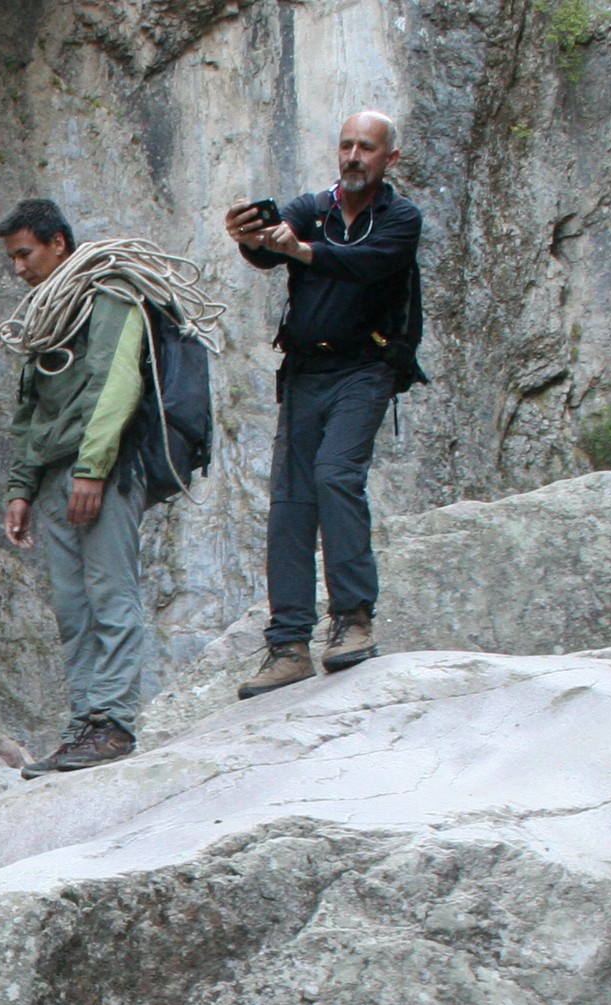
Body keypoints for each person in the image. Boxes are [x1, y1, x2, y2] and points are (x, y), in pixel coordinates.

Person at [225, 110, 424, 698]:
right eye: (346, 145)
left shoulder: (400, 218)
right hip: (308, 369)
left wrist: (303, 251)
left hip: (367, 367)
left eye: (367, 147)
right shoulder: (311, 208)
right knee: (290, 500)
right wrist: (251, 238)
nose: (353, 156)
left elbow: (369, 265)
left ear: (390, 160)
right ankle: (288, 644)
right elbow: (269, 251)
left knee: (336, 476)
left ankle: (353, 620)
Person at [0, 198, 156, 774]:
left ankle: (112, 723)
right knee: (73, 605)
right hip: (57, 474)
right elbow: (31, 409)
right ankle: (84, 723)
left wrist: (93, 467)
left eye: (25, 254)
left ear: (57, 244)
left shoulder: (110, 291)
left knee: (110, 594)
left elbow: (116, 382)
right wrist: (22, 487)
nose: (18, 268)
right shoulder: (49, 316)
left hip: (104, 469)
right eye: (12, 257)